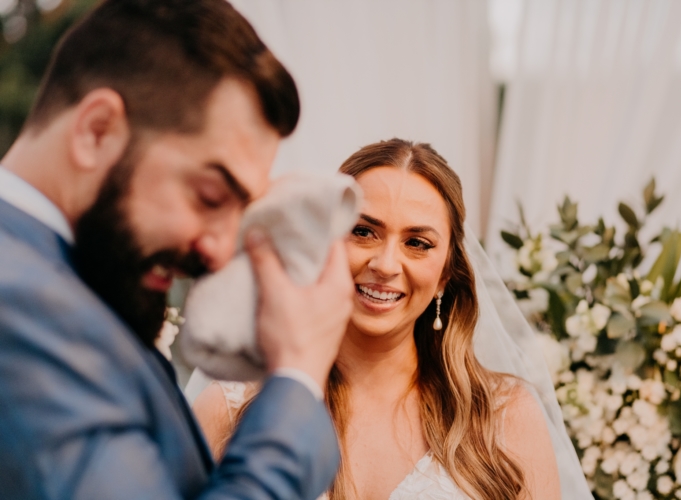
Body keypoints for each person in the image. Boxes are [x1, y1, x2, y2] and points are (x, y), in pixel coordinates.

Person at [0, 1, 353, 499]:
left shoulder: (77, 278)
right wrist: (297, 373)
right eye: (209, 197)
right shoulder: (21, 305)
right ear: (96, 131)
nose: (219, 250)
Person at [194, 139, 593, 499]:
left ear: (445, 276)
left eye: (417, 243)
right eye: (363, 232)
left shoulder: (506, 416)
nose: (385, 264)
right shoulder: (232, 407)